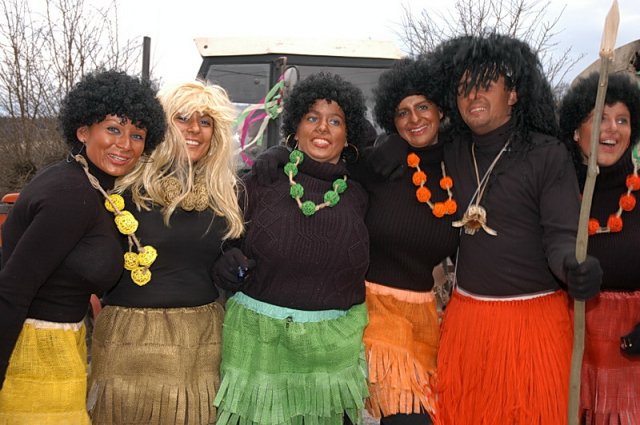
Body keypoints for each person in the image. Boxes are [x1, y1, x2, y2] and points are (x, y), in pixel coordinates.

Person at [424, 33, 602, 424]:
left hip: (533, 326)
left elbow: (560, 235)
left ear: (514, 93)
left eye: (486, 84)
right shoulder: (452, 150)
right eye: (464, 88)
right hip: (467, 325)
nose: (473, 96)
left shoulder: (546, 153)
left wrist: (574, 266)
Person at [0, 70, 165, 424]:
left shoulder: (94, 187)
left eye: (137, 135)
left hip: (63, 349)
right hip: (31, 358)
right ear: (83, 130)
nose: (125, 144)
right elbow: (11, 291)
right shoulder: (70, 193)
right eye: (113, 129)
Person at [212, 72, 370, 425]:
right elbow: (219, 241)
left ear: (348, 135)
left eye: (335, 121)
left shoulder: (361, 193)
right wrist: (224, 260)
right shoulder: (261, 181)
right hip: (259, 352)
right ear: (295, 128)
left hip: (331, 360)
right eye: (312, 118)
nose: (323, 128)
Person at [87, 81, 245, 424]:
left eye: (205, 121)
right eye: (182, 118)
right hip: (130, 342)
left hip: (202, 342)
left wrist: (229, 263)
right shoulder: (121, 186)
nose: (194, 129)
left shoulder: (224, 195)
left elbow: (219, 253)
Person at [360, 57, 458, 425]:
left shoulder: (458, 167)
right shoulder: (382, 163)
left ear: (440, 110)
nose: (414, 119)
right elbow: (324, 163)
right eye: (402, 112)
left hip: (425, 319)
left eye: (422, 107)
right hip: (374, 315)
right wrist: (279, 156)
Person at [559, 72, 640, 425]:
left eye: (622, 120)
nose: (612, 129)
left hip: (630, 364)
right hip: (569, 356)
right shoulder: (559, 194)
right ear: (576, 132)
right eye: (600, 117)